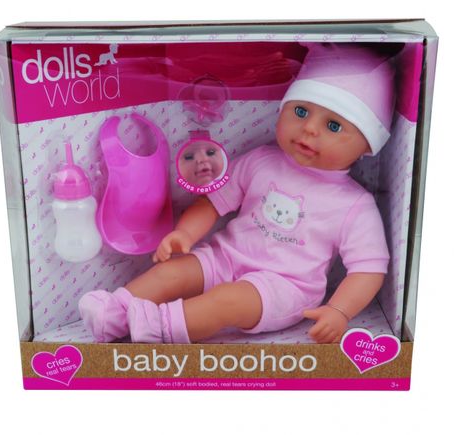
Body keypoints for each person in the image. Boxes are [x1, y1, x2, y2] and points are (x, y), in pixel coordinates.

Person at [79, 43, 395, 344]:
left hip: (284, 287)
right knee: (172, 272)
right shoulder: (261, 161)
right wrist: (185, 234)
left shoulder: (354, 204)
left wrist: (339, 310)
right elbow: (213, 203)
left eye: (334, 126)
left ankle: (159, 328)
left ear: (368, 145)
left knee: (228, 300)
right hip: (225, 257)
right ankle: (115, 312)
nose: (310, 128)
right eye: (300, 111)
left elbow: (368, 268)